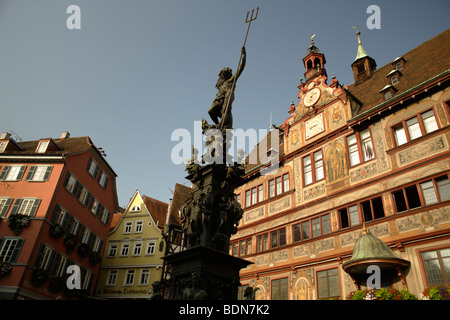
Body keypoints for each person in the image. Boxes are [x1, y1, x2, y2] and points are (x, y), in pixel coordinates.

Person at [208, 46, 246, 129]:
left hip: (228, 95)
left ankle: (220, 125)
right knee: (210, 111)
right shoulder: (220, 84)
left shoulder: (231, 80)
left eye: (225, 73)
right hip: (219, 98)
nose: (223, 75)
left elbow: (240, 69)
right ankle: (219, 124)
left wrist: (244, 56)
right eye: (223, 74)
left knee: (225, 109)